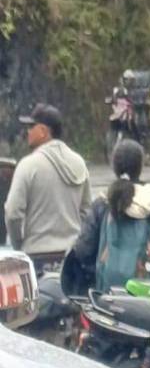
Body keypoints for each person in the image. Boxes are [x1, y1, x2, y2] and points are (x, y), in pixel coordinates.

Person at [72, 139, 150, 289]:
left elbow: (84, 251)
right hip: (148, 297)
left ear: (114, 166)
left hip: (108, 298)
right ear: (140, 166)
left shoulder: (102, 204)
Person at [4, 104, 91, 271]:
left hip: (37, 257)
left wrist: (18, 245)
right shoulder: (79, 162)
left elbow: (12, 213)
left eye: (31, 127)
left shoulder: (28, 165)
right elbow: (86, 212)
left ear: (43, 131)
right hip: (71, 257)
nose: (27, 132)